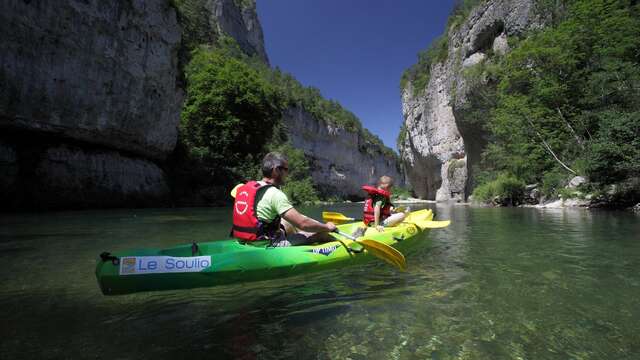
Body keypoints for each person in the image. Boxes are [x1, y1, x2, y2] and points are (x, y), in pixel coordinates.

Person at [231, 152, 337, 247]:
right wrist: (326, 227)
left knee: (287, 222)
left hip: (243, 240)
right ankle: (326, 237)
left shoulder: (245, 188)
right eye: (286, 169)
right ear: (277, 170)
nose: (287, 173)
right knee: (320, 235)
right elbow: (303, 224)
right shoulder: (275, 194)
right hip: (267, 244)